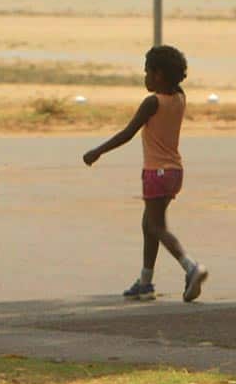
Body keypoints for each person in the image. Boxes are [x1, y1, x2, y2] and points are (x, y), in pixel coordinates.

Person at [83, 45, 208, 303]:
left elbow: (127, 133)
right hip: (174, 171)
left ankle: (190, 266)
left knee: (156, 226)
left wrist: (98, 151)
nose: (145, 78)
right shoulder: (179, 97)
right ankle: (145, 281)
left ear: (159, 75)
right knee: (148, 224)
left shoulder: (152, 102)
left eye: (148, 72)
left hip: (156, 173)